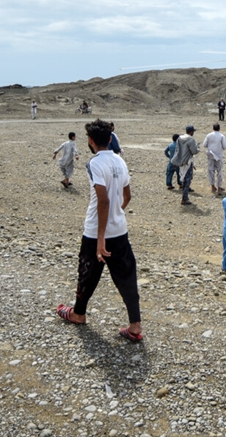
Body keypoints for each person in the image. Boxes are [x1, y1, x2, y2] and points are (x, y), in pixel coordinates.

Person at [57, 118, 142, 342]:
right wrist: (116, 214)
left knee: (87, 273)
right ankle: (135, 325)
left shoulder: (94, 163)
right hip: (119, 230)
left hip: (96, 232)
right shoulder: (120, 161)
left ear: (91, 141)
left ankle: (78, 313)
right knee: (127, 276)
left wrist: (101, 237)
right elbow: (127, 196)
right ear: (111, 139)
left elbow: (102, 201)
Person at [171, 125, 199, 205]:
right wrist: (198, 149)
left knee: (183, 179)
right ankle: (184, 198)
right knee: (188, 179)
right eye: (193, 131)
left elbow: (177, 150)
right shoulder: (191, 140)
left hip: (180, 161)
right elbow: (194, 151)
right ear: (191, 132)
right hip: (188, 162)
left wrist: (175, 161)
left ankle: (185, 195)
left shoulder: (179, 138)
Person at [202, 123, 226, 193]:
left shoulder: (209, 135)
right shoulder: (222, 136)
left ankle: (212, 186)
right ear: (219, 129)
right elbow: (225, 146)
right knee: (219, 171)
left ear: (213, 128)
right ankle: (219, 186)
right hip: (219, 156)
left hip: (210, 155)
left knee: (210, 170)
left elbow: (204, 144)